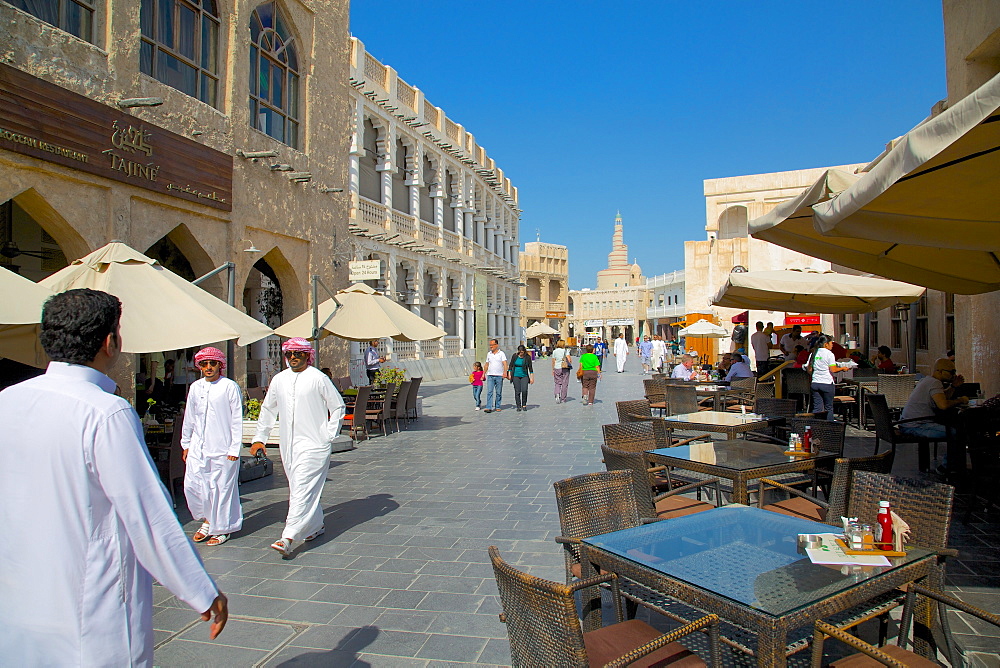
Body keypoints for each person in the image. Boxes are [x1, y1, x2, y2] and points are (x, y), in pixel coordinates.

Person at [0, 289, 228, 665]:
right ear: (111, 342)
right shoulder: (105, 413)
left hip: (18, 601)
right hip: (90, 605)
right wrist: (201, 591)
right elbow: (147, 515)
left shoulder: (9, 401)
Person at [251, 338, 346, 557]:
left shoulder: (318, 378)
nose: (293, 357)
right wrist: (259, 438)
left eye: (298, 353)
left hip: (314, 445)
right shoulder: (279, 380)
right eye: (289, 354)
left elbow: (338, 406)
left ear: (307, 355)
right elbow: (267, 410)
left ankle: (288, 536)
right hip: (289, 445)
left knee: (302, 487)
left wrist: (328, 435)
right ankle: (315, 525)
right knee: (299, 488)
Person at [182, 346, 244, 547]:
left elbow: (236, 420)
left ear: (220, 365)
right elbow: (189, 417)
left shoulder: (229, 386)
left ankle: (223, 528)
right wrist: (186, 443)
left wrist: (234, 448)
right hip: (198, 447)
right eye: (204, 364)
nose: (208, 367)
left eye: (212, 363)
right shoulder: (195, 387)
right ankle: (209, 521)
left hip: (223, 448)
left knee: (222, 489)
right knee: (196, 486)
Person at [899, 358, 968, 440]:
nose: (954, 375)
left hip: (907, 424)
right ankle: (955, 453)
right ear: (940, 371)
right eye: (951, 372)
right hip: (916, 426)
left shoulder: (926, 380)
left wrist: (953, 386)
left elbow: (942, 397)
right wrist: (961, 400)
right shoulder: (935, 383)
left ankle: (952, 453)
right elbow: (943, 405)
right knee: (956, 432)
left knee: (953, 428)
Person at [807, 335, 851, 420]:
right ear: (826, 344)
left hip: (815, 383)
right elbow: (833, 370)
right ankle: (829, 427)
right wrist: (843, 368)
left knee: (817, 407)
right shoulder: (829, 354)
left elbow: (809, 369)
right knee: (829, 408)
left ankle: (816, 427)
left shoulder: (814, 353)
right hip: (826, 383)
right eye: (831, 343)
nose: (832, 345)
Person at [483, 338, 508, 413]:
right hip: (490, 375)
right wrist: (483, 373)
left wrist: (505, 372)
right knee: (489, 391)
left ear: (496, 345)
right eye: (490, 345)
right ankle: (489, 407)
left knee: (498, 392)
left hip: (499, 375)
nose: (491, 346)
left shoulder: (501, 353)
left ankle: (497, 406)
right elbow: (487, 364)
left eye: (492, 345)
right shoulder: (489, 354)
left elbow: (505, 364)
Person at [508, 345, 535, 411]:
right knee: (517, 391)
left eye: (522, 352)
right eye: (519, 352)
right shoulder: (515, 356)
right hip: (515, 375)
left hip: (524, 375)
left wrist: (532, 378)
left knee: (524, 390)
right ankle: (518, 405)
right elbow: (511, 366)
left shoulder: (527, 357)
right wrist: (509, 374)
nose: (520, 353)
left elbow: (530, 368)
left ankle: (524, 404)